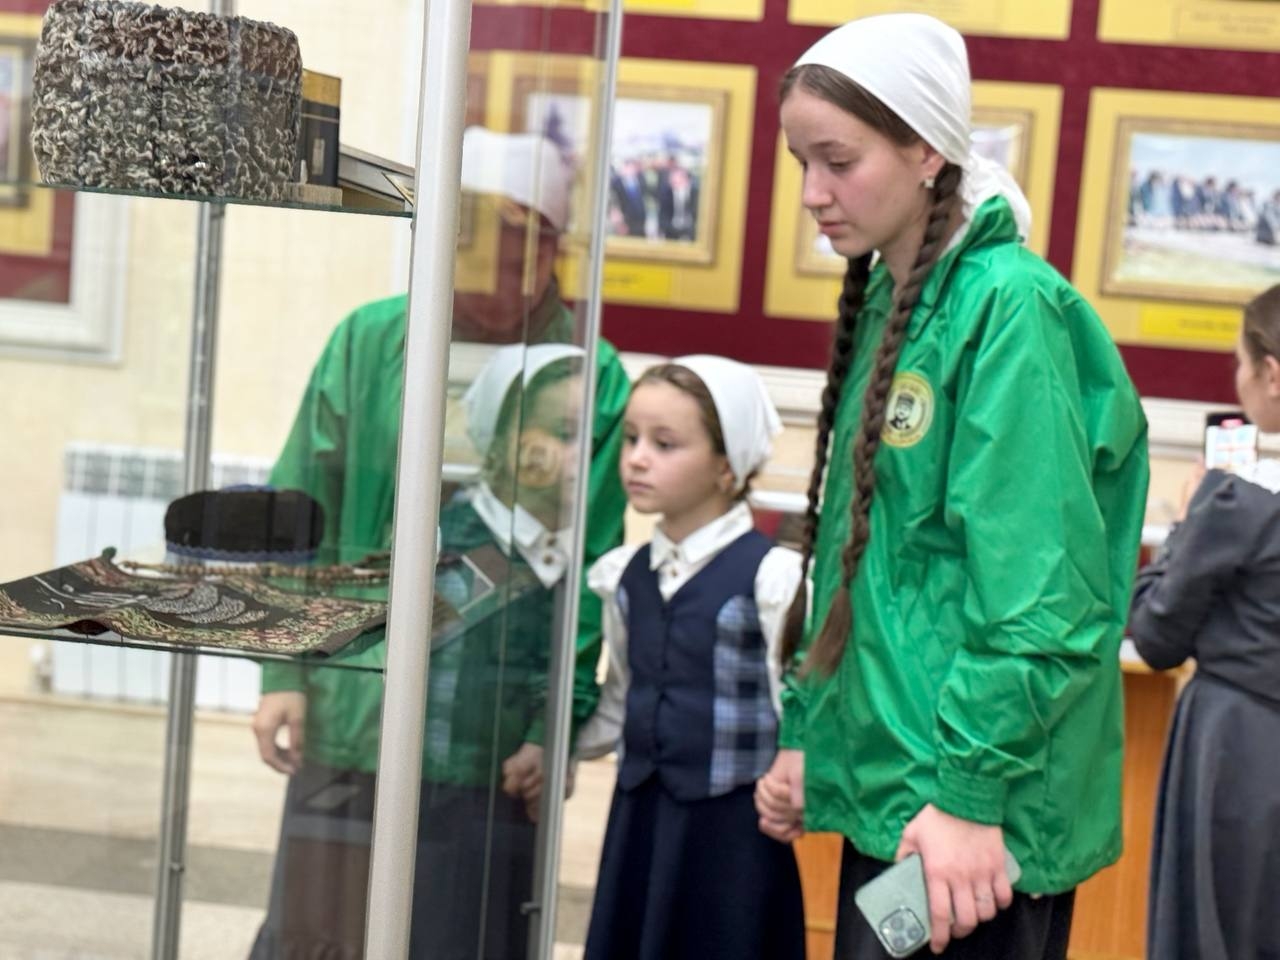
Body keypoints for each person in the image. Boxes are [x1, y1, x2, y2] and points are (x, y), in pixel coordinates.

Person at [754, 13, 1149, 959]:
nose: (812, 194)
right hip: (901, 795)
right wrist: (812, 733)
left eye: (839, 161)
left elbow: (1042, 598)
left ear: (926, 151)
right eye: (801, 162)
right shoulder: (897, 301)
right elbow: (867, 559)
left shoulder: (1008, 308)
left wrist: (970, 795)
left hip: (971, 821)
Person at [248, 127, 631, 960]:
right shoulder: (371, 341)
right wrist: (283, 673)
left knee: (468, 937)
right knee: (322, 932)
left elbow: (590, 574)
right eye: (466, 245)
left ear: (550, 250)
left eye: (507, 250)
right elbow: (298, 514)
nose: (482, 271)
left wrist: (552, 724)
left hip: (491, 731)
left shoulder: (592, 377)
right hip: (356, 707)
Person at [576, 355, 807, 960]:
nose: (637, 458)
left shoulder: (773, 578)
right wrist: (552, 747)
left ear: (727, 466)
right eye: (631, 438)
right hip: (640, 817)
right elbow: (622, 695)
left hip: (732, 835)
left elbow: (796, 707)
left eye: (665, 443)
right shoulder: (623, 576)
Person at [1129, 284, 1280, 960]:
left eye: (1239, 363)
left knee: (1217, 933)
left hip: (1236, 751)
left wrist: (1187, 522)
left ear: (1271, 374)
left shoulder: (1236, 505)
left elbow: (1155, 635)